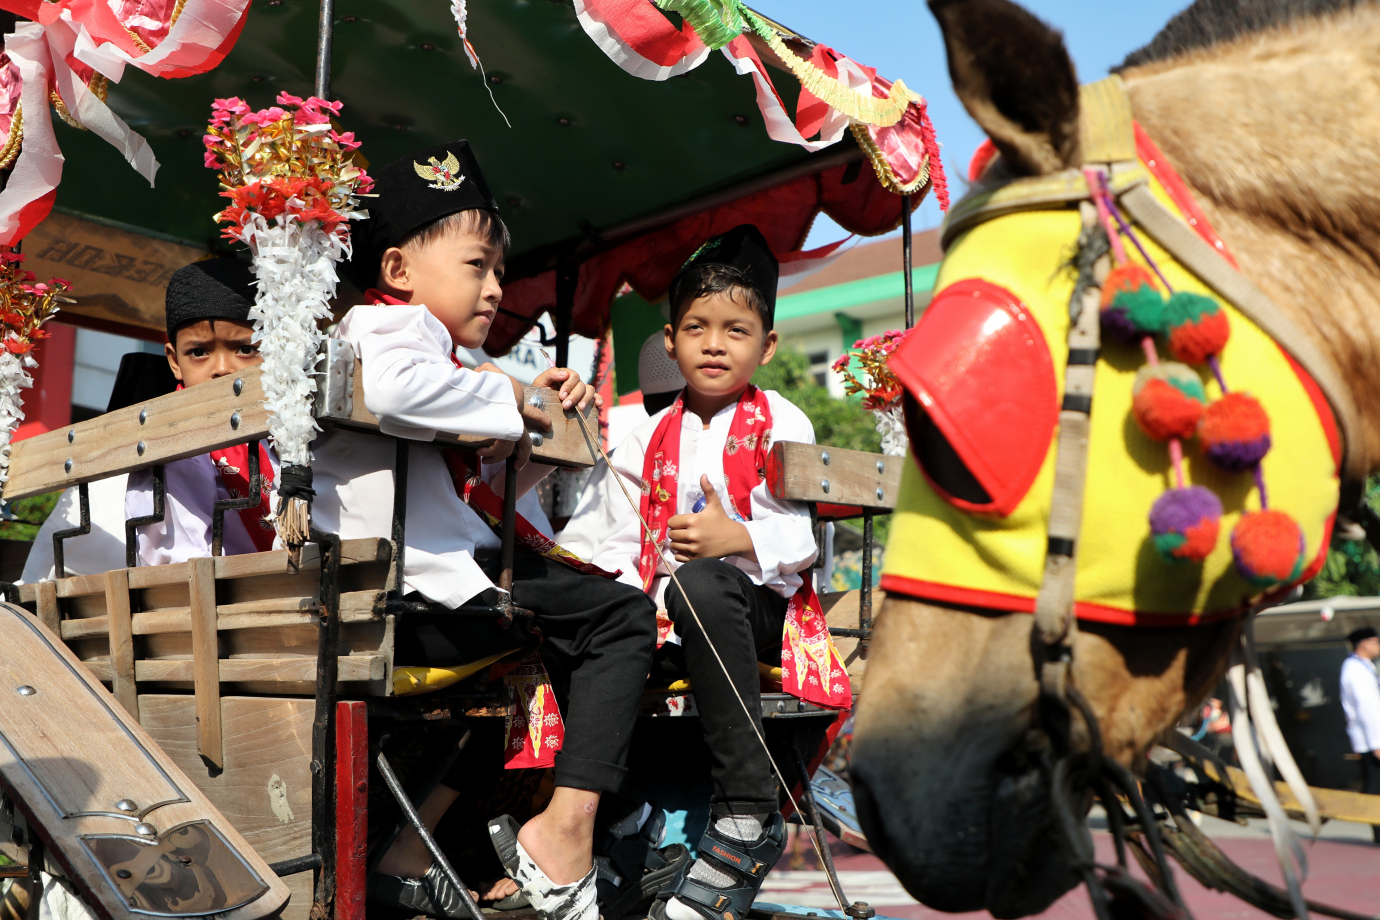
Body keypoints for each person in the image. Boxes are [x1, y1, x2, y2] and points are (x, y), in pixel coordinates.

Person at [310, 140, 657, 920]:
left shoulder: (437, 356)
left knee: (539, 654)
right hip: (397, 598)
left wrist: (534, 422)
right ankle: (568, 830)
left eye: (500, 272)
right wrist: (516, 400)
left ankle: (409, 852)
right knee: (622, 617)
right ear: (399, 271)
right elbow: (397, 391)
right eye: (477, 266)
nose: (496, 289)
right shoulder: (383, 331)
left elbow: (479, 494)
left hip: (416, 590)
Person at [562, 225, 847, 920]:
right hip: (669, 616)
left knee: (702, 583)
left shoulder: (783, 419)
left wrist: (735, 536)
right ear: (670, 340)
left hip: (757, 610)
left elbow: (807, 541)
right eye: (697, 327)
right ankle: (625, 815)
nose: (715, 344)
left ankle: (746, 814)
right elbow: (607, 532)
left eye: (736, 330)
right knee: (589, 614)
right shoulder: (642, 436)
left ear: (767, 345)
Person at [125, 258, 279, 565]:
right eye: (199, 352)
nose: (222, 369)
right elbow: (181, 559)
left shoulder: (286, 429)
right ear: (173, 360)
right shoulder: (173, 442)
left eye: (245, 349)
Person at [1341, 625, 1380, 843]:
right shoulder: (1355, 669)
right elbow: (1367, 708)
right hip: (1371, 740)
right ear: (1364, 644)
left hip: (1371, 738)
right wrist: (1377, 743)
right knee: (1376, 787)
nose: (1378, 646)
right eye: (1376, 641)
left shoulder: (1363, 667)